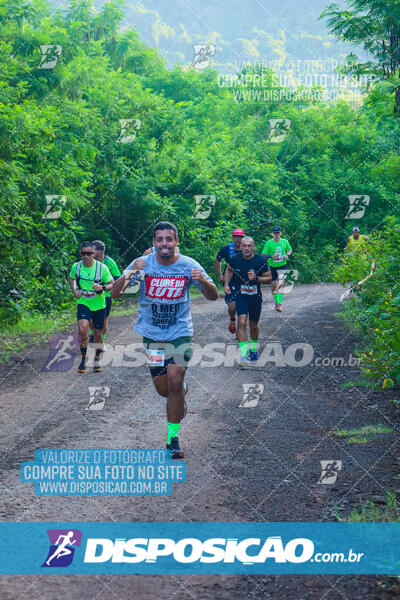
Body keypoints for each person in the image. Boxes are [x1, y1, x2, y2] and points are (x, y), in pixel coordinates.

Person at [111, 221, 218, 459]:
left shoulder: (189, 265)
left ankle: (172, 439)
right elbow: (115, 293)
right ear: (154, 242)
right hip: (152, 334)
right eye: (159, 240)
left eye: (169, 239)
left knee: (175, 379)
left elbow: (213, 296)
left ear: (176, 241)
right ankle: (179, 396)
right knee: (164, 389)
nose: (164, 244)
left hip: (180, 332)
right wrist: (130, 272)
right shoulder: (143, 264)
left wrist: (202, 281)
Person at [224, 237, 272, 367]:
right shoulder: (235, 259)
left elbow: (270, 278)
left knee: (253, 325)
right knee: (242, 321)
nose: (246, 248)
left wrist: (256, 278)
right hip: (242, 295)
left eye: (249, 246)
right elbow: (228, 269)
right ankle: (243, 355)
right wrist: (226, 284)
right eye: (244, 246)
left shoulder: (260, 260)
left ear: (253, 247)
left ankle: (253, 350)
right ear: (241, 247)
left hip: (255, 297)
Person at [68, 241, 113, 373]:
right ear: (80, 254)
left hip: (99, 304)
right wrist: (74, 290)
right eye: (83, 253)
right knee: (82, 329)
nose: (86, 256)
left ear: (93, 254)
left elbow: (112, 284)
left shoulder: (102, 268)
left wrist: (102, 287)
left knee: (98, 335)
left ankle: (97, 360)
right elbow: (71, 279)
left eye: (89, 253)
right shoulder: (76, 267)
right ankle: (83, 360)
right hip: (83, 302)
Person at [215, 228, 245, 333]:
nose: (238, 239)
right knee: (232, 307)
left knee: (242, 307)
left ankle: (240, 330)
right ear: (233, 237)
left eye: (240, 237)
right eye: (236, 237)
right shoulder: (226, 249)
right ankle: (232, 319)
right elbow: (218, 259)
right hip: (229, 280)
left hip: (243, 280)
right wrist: (219, 274)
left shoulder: (246, 249)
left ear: (243, 238)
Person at [92, 240, 121, 343]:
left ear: (100, 251)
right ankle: (93, 334)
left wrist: (103, 286)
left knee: (103, 321)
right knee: (91, 320)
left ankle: (101, 342)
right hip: (91, 296)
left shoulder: (109, 262)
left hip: (106, 296)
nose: (91, 251)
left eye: (93, 249)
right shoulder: (90, 262)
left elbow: (117, 278)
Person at [262, 226, 292, 312]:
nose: (276, 235)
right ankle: (277, 302)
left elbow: (290, 250)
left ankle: (279, 304)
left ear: (280, 233)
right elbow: (263, 255)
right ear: (272, 233)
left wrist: (287, 255)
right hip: (272, 266)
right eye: (275, 233)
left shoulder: (284, 241)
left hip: (282, 265)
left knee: (281, 283)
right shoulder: (269, 243)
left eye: (278, 233)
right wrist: (271, 256)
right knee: (273, 285)